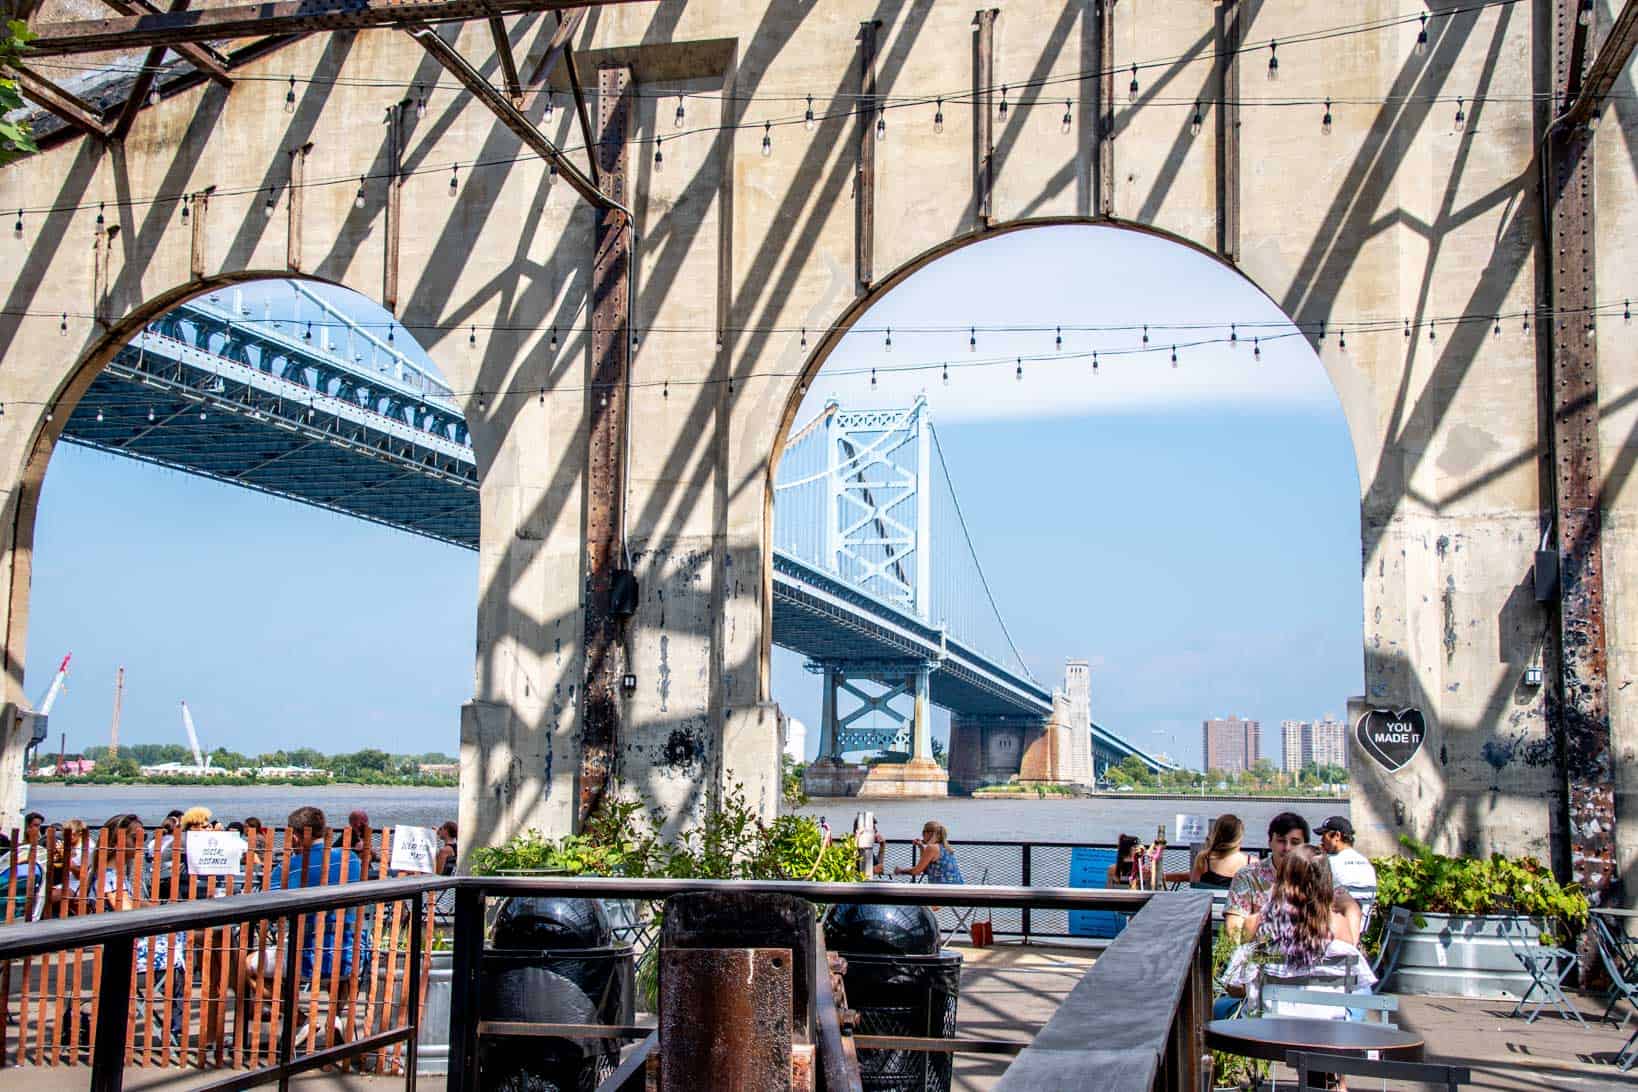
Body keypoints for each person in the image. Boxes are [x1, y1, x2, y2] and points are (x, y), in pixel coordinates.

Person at [1220, 845, 1375, 1021]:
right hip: (1328, 1026)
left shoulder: (1257, 922)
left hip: (1266, 1028)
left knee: (1219, 1007)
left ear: (1283, 878)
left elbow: (1235, 988)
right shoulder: (1339, 925)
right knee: (1361, 997)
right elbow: (1350, 981)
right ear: (1326, 881)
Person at [261, 806, 370, 1045]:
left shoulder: (290, 868)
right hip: (350, 954)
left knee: (251, 966)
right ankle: (337, 1015)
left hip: (307, 956)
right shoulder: (350, 859)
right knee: (340, 961)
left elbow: (266, 904)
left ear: (297, 836)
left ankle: (301, 1020)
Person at [101, 814, 187, 1043]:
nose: (140, 842)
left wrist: (154, 906)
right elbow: (125, 910)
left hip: (129, 940)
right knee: (198, 937)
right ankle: (177, 1022)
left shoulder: (115, 873)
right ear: (116, 840)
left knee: (196, 935)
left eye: (143, 836)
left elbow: (130, 902)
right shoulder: (109, 875)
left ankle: (179, 1018)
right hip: (126, 946)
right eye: (134, 837)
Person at [1225, 812, 1362, 942]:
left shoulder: (1317, 874)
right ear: (1270, 842)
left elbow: (1351, 907)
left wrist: (1352, 944)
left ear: (1305, 846)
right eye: (1280, 841)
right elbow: (1234, 928)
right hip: (1263, 957)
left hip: (1309, 957)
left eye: (1295, 842)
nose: (1287, 848)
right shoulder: (1248, 876)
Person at [895, 821, 964, 884]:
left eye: (923, 832)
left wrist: (901, 871)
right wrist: (921, 847)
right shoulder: (945, 847)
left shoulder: (932, 848)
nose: (922, 835)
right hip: (956, 887)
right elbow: (925, 870)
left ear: (930, 833)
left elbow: (917, 871)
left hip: (944, 890)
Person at [1190, 814, 1248, 889]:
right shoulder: (1251, 862)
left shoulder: (1204, 858)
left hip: (1210, 900)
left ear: (1216, 833)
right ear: (1239, 836)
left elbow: (1194, 887)